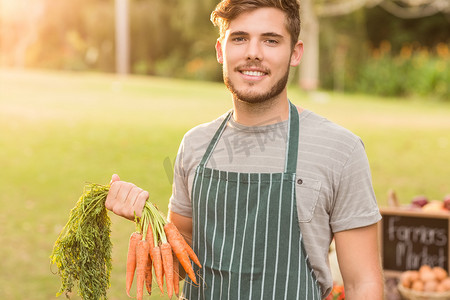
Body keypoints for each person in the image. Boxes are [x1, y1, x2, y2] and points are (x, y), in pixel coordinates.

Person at [105, 0, 385, 299]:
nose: (253, 52)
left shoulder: (339, 149)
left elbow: (362, 284)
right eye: (239, 38)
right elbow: (180, 264)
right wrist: (147, 217)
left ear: (295, 53)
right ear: (220, 50)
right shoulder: (196, 145)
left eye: (270, 40)